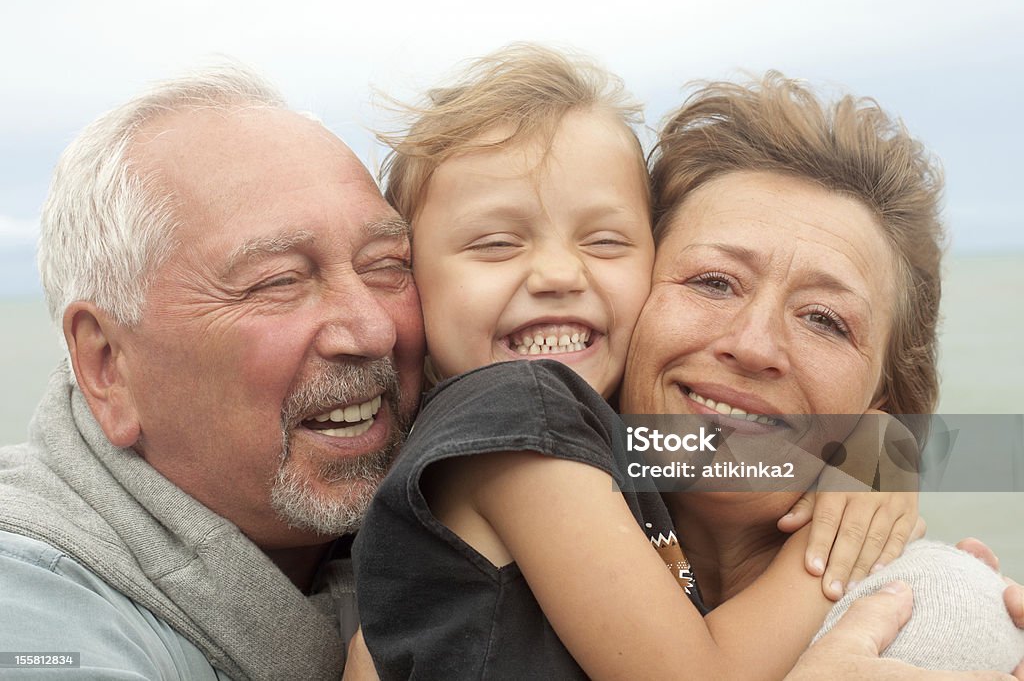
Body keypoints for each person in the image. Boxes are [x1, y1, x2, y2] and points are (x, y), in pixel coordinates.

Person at [351, 45, 932, 680]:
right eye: (714, 282)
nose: (558, 274)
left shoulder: (936, 615)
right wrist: (853, 526)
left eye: (824, 319)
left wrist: (885, 456)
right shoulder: (521, 413)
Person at [0, 64, 424, 679]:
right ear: (106, 365)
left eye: (386, 264)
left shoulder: (465, 491)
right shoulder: (32, 603)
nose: (372, 330)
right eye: (279, 281)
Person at [622, 72, 1024, 673]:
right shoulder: (491, 551)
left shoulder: (925, 627)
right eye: (713, 281)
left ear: (882, 400)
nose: (755, 345)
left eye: (825, 320)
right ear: (623, 302)